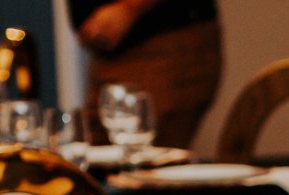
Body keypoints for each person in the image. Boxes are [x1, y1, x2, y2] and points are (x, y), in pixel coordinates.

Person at [68, 0, 222, 149]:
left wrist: (129, 8)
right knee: (94, 160)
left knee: (147, 161)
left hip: (161, 41)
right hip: (107, 53)